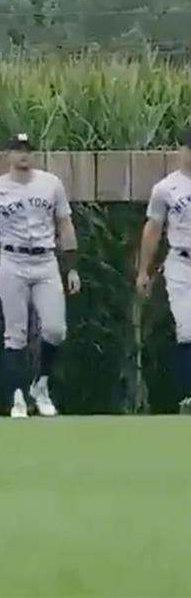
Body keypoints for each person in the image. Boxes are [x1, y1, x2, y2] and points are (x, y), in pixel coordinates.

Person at [0, 132, 77, 418]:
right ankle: (17, 395)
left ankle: (40, 384)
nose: (23, 155)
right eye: (18, 150)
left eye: (28, 150)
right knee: (15, 334)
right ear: (7, 154)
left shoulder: (50, 184)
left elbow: (64, 224)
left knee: (56, 329)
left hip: (45, 259)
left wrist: (71, 266)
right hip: (12, 259)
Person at [136, 129, 191, 414]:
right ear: (180, 150)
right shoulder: (167, 188)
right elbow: (153, 229)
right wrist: (144, 271)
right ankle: (188, 396)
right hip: (182, 261)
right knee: (187, 328)